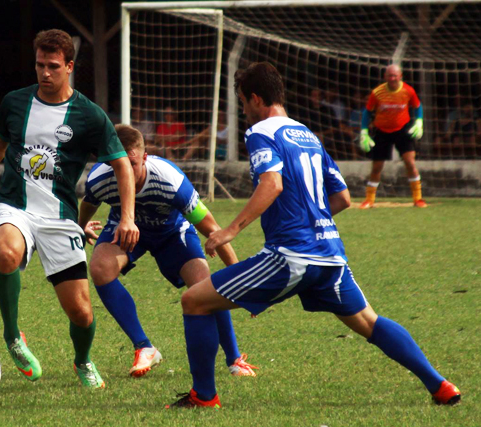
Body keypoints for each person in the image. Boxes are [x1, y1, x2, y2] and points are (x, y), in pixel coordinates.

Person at [166, 62, 460, 409]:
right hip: (330, 254)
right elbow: (343, 198)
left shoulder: (261, 132)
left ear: (257, 99)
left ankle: (204, 397)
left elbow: (271, 183)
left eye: (244, 103)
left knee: (194, 301)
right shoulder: (308, 135)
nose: (244, 111)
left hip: (289, 255)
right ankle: (440, 385)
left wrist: (230, 230)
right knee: (369, 321)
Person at [0, 29, 139, 389]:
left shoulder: (89, 115)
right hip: (15, 205)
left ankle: (82, 361)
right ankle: (12, 336)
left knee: (81, 313)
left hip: (60, 218)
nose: (45, 73)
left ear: (69, 67)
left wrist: (127, 216)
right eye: (39, 65)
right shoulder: (16, 103)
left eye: (53, 66)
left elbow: (123, 166)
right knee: (5, 254)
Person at [79, 124, 257, 378]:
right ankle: (144, 347)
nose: (125, 172)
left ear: (145, 157)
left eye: (132, 164)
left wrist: (242, 280)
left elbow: (213, 229)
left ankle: (234, 358)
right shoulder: (100, 178)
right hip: (127, 230)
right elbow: (88, 203)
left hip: (172, 234)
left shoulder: (169, 180)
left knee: (203, 283)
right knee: (100, 268)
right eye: (117, 165)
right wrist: (81, 225)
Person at [359, 64, 426, 209]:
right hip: (382, 131)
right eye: (390, 75)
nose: (392, 78)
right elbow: (367, 112)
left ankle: (418, 198)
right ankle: (369, 199)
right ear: (385, 77)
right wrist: (364, 132)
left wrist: (419, 122)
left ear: (400, 76)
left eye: (395, 75)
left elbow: (418, 106)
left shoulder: (408, 91)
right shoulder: (377, 93)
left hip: (402, 130)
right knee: (377, 167)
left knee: (410, 163)